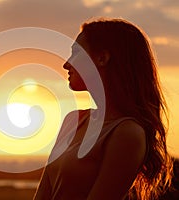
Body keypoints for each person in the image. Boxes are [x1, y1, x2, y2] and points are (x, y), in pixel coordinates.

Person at [34, 18, 173, 200]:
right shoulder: (73, 119)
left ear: (102, 58)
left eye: (76, 53)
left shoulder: (127, 133)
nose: (66, 64)